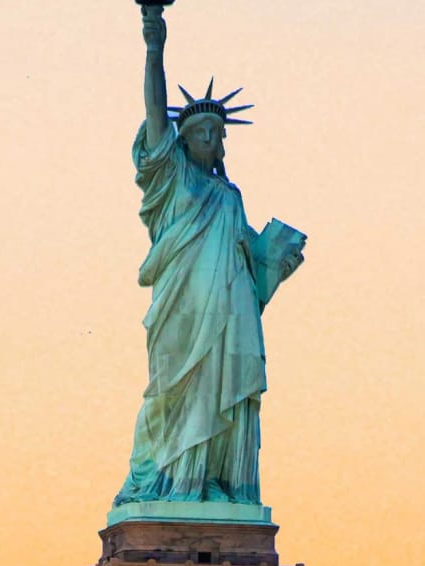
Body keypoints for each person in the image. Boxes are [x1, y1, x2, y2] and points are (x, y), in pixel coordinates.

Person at [113, 3, 306, 509]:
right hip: (184, 304)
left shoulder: (231, 196)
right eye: (199, 132)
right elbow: (157, 112)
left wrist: (276, 262)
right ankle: (178, 478)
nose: (209, 138)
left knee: (228, 385)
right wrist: (155, 46)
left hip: (232, 306)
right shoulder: (171, 179)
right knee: (175, 389)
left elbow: (250, 264)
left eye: (216, 135)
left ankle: (216, 480)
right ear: (183, 139)